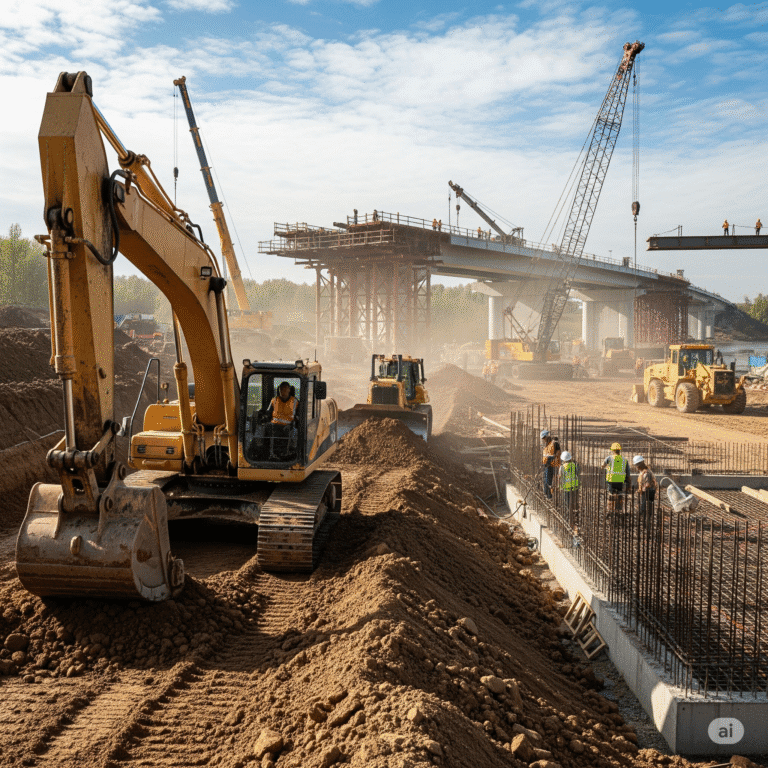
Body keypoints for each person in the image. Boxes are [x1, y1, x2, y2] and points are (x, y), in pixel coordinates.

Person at [263, 381, 299, 459]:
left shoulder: (295, 402)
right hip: (274, 425)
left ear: (289, 390)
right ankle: (268, 453)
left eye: (285, 390)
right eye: (281, 390)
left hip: (288, 426)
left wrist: (295, 421)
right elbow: (268, 413)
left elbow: (299, 415)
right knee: (265, 428)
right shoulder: (274, 400)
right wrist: (265, 417)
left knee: (293, 433)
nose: (283, 392)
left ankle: (287, 454)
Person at [603, 442, 630, 514]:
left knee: (611, 495)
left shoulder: (609, 458)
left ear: (613, 450)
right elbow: (628, 472)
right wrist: (628, 483)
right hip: (620, 481)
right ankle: (619, 509)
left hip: (611, 480)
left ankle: (610, 510)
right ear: (619, 450)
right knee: (620, 495)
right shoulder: (624, 460)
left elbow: (602, 466)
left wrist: (607, 467)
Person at [632, 455, 657, 521]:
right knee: (647, 507)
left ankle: (645, 520)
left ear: (639, 465)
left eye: (636, 465)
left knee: (644, 508)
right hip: (648, 491)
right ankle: (645, 519)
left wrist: (641, 490)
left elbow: (647, 484)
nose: (636, 467)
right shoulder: (644, 471)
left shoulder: (646, 473)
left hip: (648, 491)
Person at [559, 450, 580, 521]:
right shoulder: (574, 465)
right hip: (575, 487)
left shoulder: (562, 467)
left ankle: (568, 517)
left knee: (567, 503)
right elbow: (577, 474)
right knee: (574, 502)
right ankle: (575, 515)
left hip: (566, 488)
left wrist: (559, 486)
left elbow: (560, 477)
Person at [541, 429, 561, 500]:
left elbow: (557, 453)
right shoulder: (547, 445)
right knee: (545, 481)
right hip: (547, 465)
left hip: (553, 465)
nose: (543, 440)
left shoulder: (554, 443)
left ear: (547, 436)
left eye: (544, 438)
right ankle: (547, 495)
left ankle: (550, 496)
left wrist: (552, 458)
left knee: (550, 482)